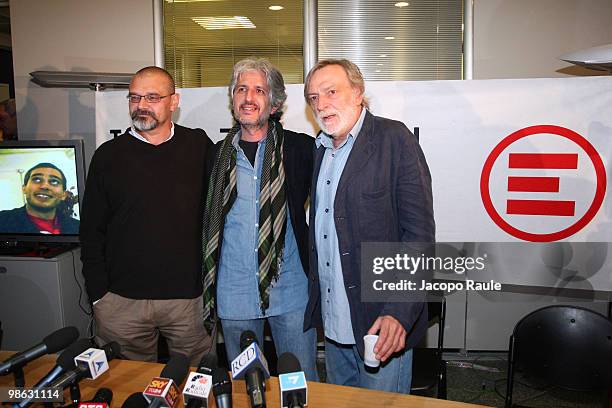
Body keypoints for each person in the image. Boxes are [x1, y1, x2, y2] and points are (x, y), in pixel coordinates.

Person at [303, 59, 435, 393]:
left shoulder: (395, 139)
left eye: (331, 91)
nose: (321, 103)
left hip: (381, 320)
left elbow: (418, 236)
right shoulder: (319, 150)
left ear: (358, 92)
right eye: (313, 97)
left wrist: (398, 312)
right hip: (334, 323)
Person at [80, 66, 214, 365]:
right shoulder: (108, 156)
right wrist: (99, 295)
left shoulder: (198, 147)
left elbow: (218, 214)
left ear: (174, 101)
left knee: (194, 386)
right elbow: (91, 231)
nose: (141, 105)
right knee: (127, 388)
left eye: (152, 97)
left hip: (187, 302)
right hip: (121, 304)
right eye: (134, 97)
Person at [202, 58, 317, 380]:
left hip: (291, 289)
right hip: (233, 290)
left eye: (259, 90)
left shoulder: (301, 149)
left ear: (275, 102)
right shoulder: (215, 155)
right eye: (241, 89)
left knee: (301, 380)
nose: (248, 98)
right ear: (232, 99)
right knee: (246, 384)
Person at [0, 162, 79, 234]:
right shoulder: (2, 221)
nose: (44, 186)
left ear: (64, 195)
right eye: (37, 179)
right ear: (24, 188)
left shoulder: (78, 227)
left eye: (54, 181)